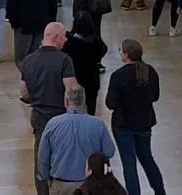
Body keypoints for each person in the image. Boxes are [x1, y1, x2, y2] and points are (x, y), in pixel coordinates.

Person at [20, 22, 79, 195]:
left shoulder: (29, 60)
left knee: (41, 158)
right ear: (55, 37)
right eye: (63, 36)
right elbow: (71, 92)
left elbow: (23, 92)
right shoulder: (64, 60)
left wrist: (36, 99)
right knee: (62, 159)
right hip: (60, 115)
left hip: (38, 115)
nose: (65, 40)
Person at [106, 39, 167, 195]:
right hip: (144, 122)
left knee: (129, 164)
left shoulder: (119, 75)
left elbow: (110, 104)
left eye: (121, 51)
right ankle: (160, 191)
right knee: (147, 158)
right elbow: (155, 96)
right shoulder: (150, 71)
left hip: (124, 124)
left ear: (126, 55)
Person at [37, 84, 116, 194]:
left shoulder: (53, 124)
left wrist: (47, 179)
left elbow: (43, 157)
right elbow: (109, 151)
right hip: (89, 184)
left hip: (61, 183)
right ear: (84, 101)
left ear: (66, 101)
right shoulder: (98, 124)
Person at [64, 13, 109, 115]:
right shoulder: (96, 41)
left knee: (74, 105)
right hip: (91, 78)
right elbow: (103, 49)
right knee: (91, 104)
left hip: (75, 78)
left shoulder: (70, 42)